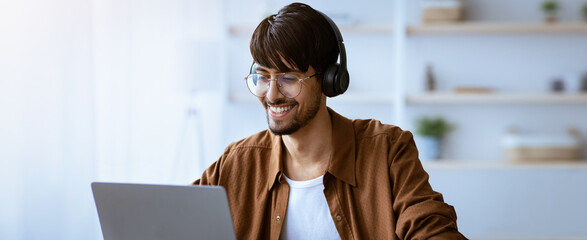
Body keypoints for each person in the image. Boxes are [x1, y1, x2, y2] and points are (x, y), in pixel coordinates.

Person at [194, 3, 467, 240]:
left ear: (330, 80)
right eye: (263, 77)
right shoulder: (237, 162)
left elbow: (430, 226)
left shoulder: (387, 149)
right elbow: (174, 218)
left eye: (289, 78)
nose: (272, 94)